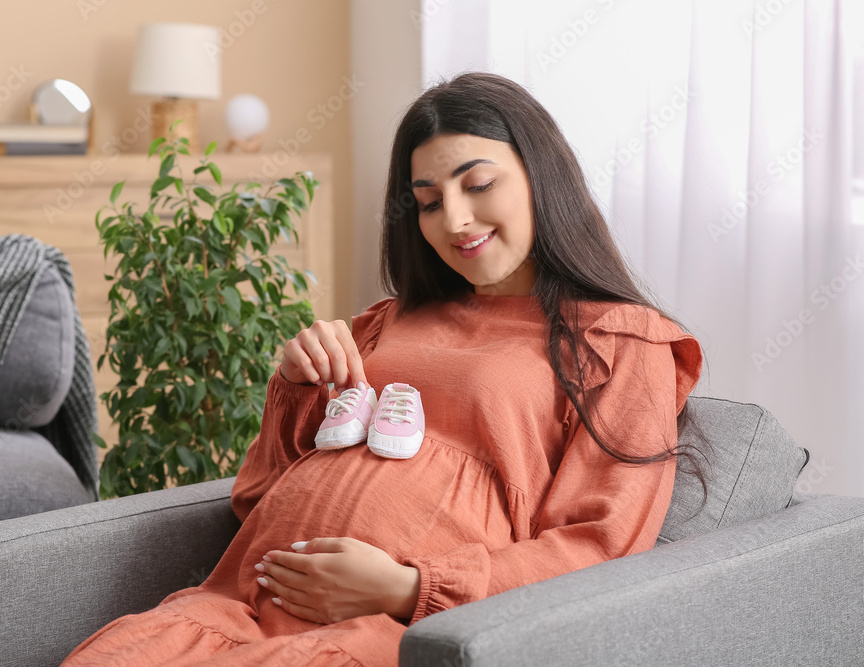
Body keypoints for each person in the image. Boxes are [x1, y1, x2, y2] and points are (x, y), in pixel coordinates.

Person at [61, 70, 707, 666]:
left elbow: (601, 544)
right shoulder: (386, 322)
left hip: (384, 633)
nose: (454, 219)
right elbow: (257, 495)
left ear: (543, 175)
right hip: (231, 609)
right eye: (427, 201)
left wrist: (409, 588)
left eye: (478, 184)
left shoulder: (620, 341)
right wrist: (294, 386)